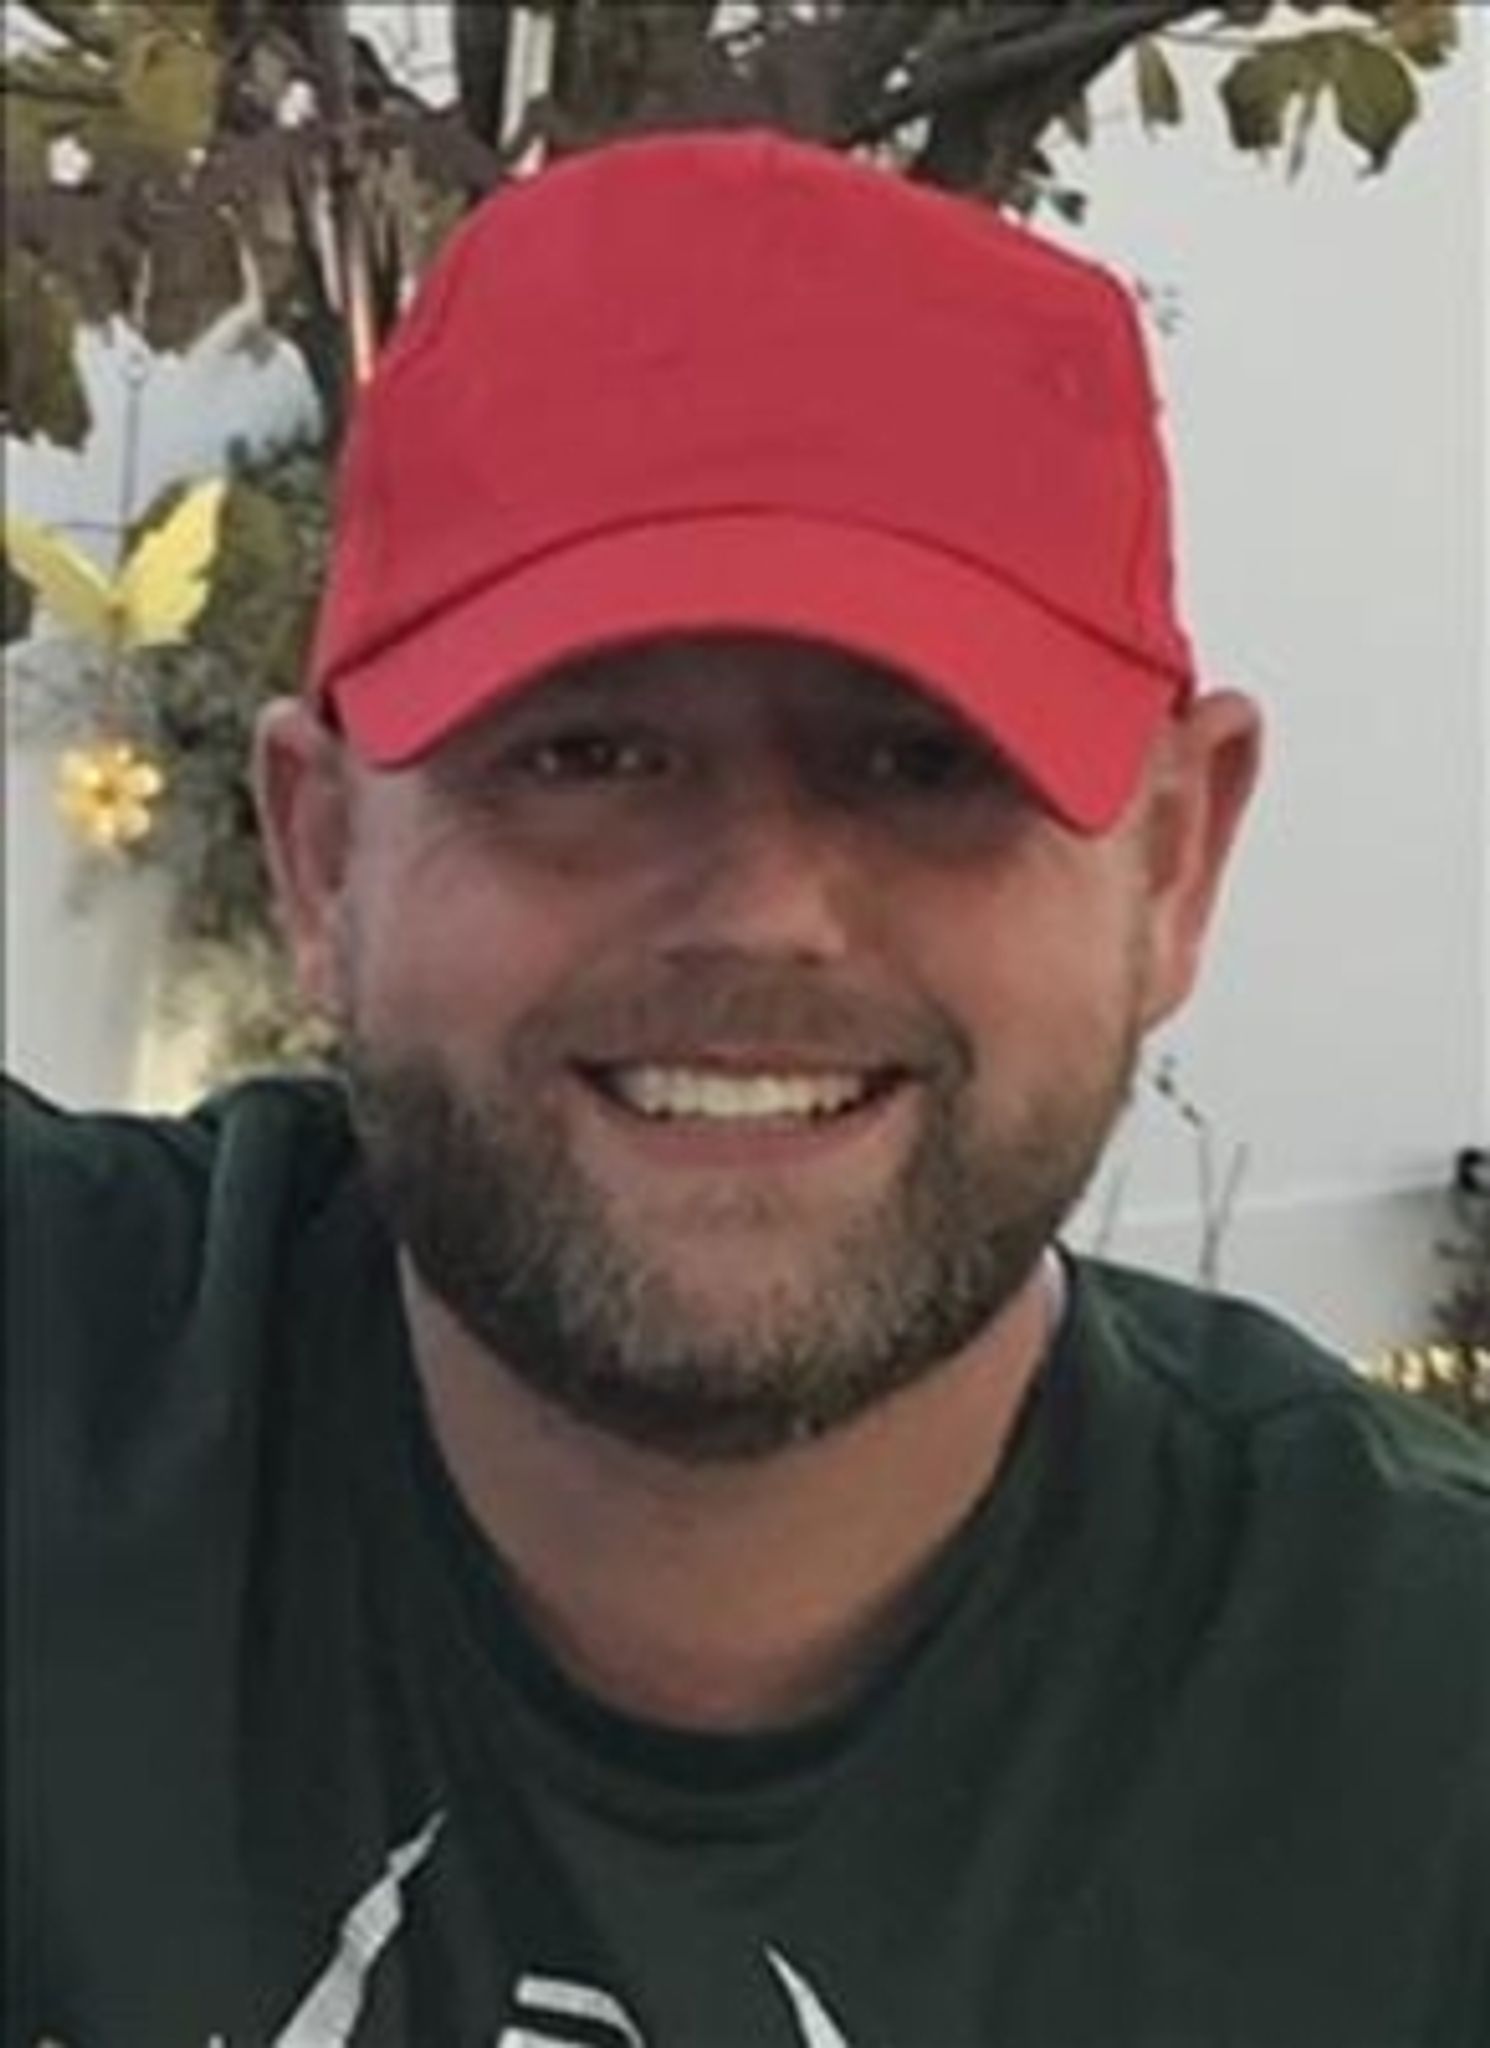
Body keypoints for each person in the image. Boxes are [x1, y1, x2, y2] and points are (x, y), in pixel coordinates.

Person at [7, 129, 1487, 2048]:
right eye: (588, 754)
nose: (764, 911)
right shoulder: (60, 1387)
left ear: (1171, 864)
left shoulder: (1422, 1752)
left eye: (920, 763)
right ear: (323, 855)